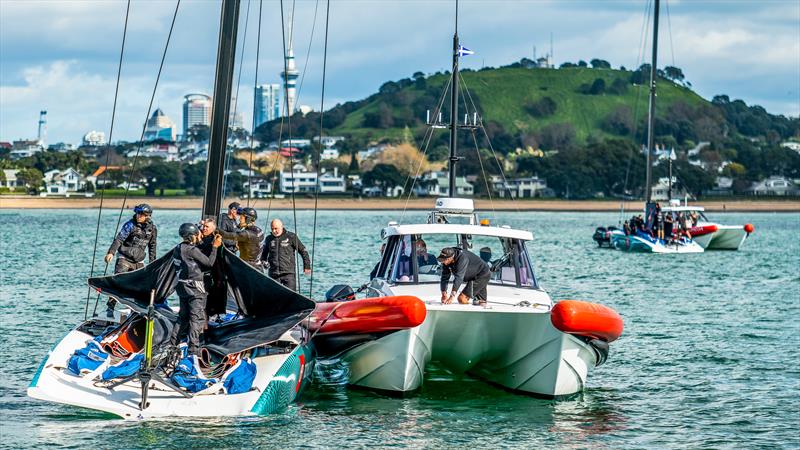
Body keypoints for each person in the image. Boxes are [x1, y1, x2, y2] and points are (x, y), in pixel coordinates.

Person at [169, 223, 222, 357]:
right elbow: (209, 263)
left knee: (183, 317)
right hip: (195, 289)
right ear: (191, 236)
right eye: (196, 234)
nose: (199, 235)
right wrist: (215, 247)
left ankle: (172, 345)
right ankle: (193, 350)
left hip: (182, 287)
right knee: (196, 319)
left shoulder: (177, 248)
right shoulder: (192, 250)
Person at [103, 203, 158, 315]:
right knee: (119, 283)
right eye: (137, 213)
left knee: (140, 286)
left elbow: (152, 247)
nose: (138, 216)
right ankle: (110, 307)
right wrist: (111, 253)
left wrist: (153, 264)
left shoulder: (152, 229)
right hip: (124, 258)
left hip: (139, 261)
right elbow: (119, 239)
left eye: (141, 214)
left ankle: (136, 310)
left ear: (148, 216)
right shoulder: (129, 225)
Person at [262, 219, 311, 291]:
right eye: (272, 229)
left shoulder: (291, 237)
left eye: (276, 228)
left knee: (291, 296)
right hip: (273, 274)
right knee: (273, 296)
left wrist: (307, 266)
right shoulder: (268, 239)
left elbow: (303, 251)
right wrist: (264, 262)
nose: (274, 231)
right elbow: (263, 254)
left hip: (288, 274)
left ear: (282, 227)